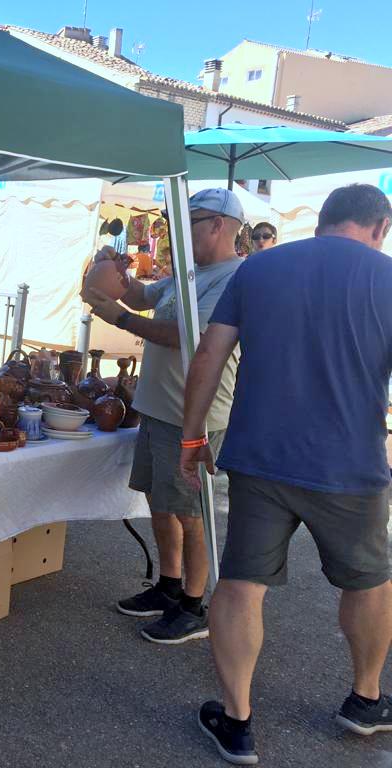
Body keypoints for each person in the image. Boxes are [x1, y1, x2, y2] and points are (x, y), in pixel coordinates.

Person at [179, 184, 392, 765]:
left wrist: (192, 436)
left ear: (322, 222)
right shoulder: (388, 277)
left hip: (259, 459)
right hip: (352, 467)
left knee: (242, 585)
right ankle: (364, 700)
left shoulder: (259, 270)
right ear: (379, 227)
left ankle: (238, 721)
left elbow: (208, 356)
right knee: (369, 582)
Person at [82, 189, 244, 645]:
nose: (177, 233)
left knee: (191, 513)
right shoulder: (188, 274)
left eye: (188, 222)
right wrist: (118, 272)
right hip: (158, 409)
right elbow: (141, 293)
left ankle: (195, 605)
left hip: (194, 418)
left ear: (218, 225)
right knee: (160, 502)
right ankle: (170, 585)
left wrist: (118, 317)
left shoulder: (234, 278)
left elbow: (186, 336)